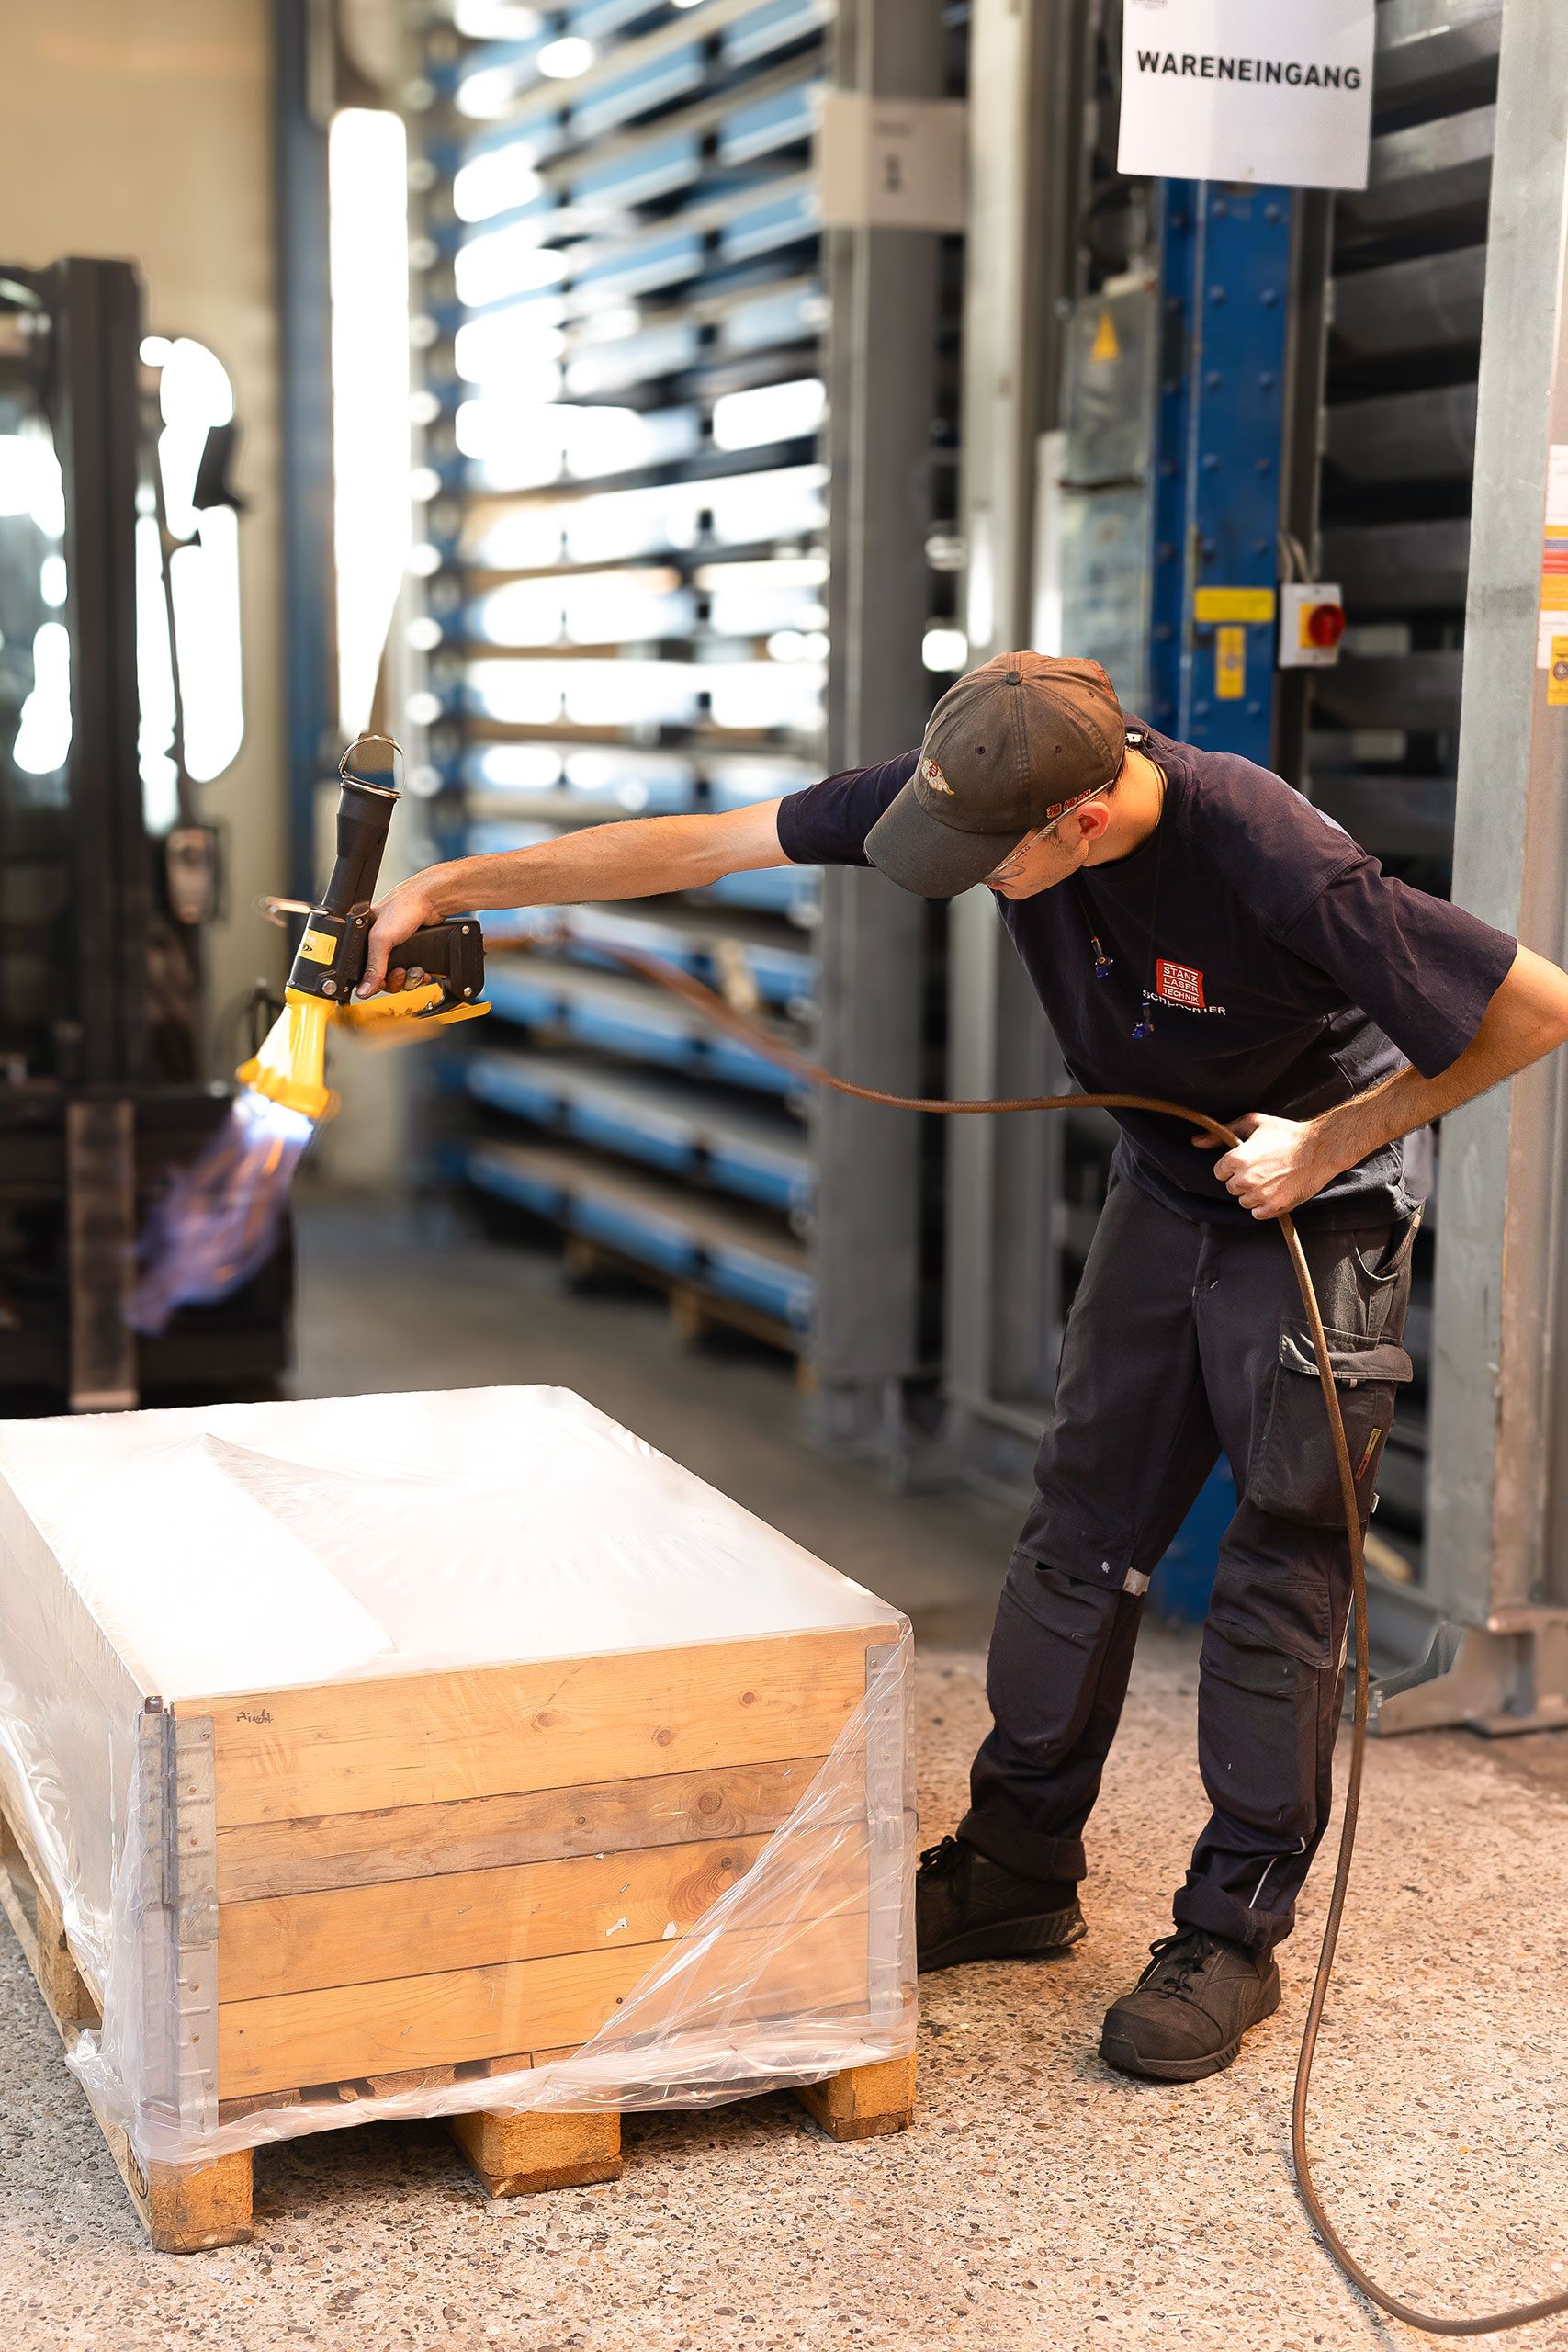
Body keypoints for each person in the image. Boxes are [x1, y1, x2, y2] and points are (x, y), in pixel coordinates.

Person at [361, 651, 1568, 2083]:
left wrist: (1333, 1141)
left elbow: (1535, 1007)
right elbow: (705, 843)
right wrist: (451, 886)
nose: (967, 875)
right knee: (1080, 1528)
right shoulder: (981, 773)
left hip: (1316, 1193)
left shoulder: (1271, 854)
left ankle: (1233, 1933)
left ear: (1081, 819)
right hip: (1172, 1180)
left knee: (1281, 1558)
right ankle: (1016, 1864)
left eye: (989, 864)